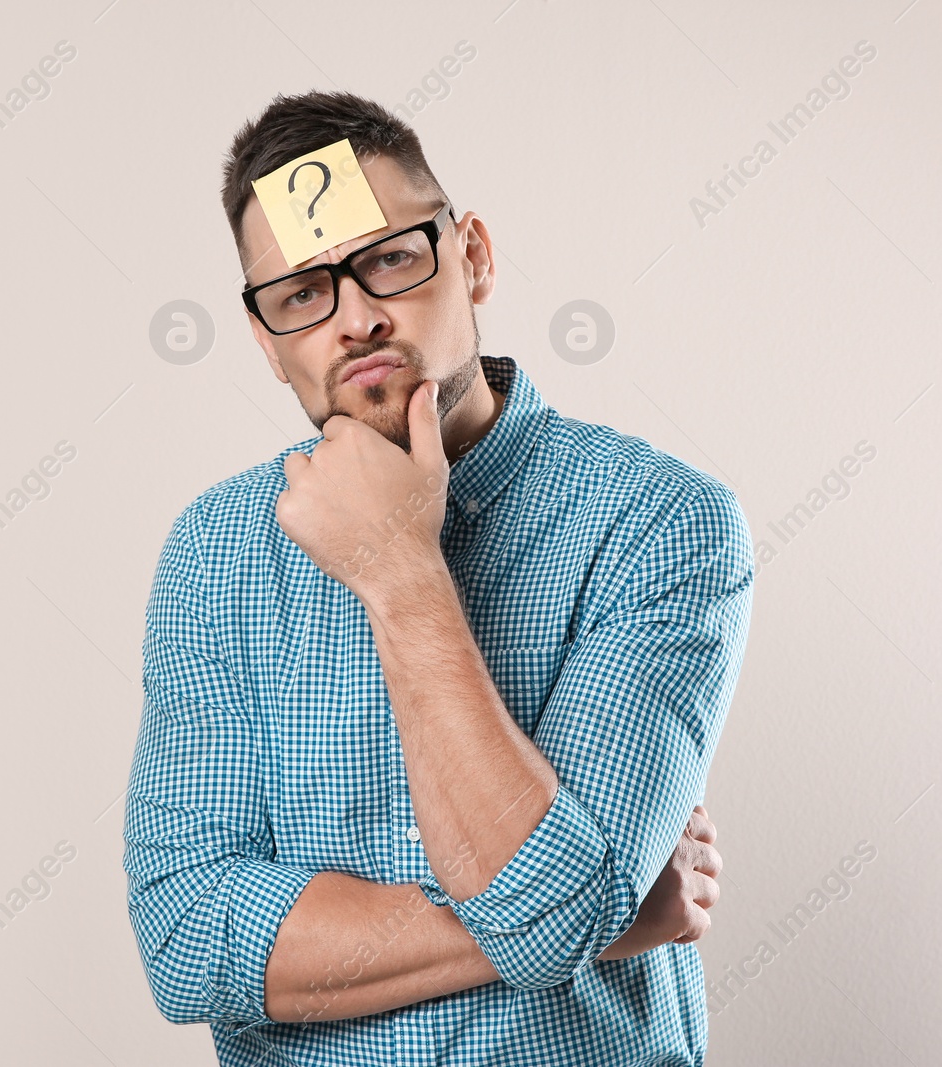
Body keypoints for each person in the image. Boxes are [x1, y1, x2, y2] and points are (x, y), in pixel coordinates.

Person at [123, 89, 754, 1066]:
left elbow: (549, 912)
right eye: (301, 292)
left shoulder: (659, 521)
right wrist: (595, 912)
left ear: (473, 255)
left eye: (388, 258)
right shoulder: (214, 552)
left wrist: (397, 567)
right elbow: (187, 940)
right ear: (266, 339)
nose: (357, 319)